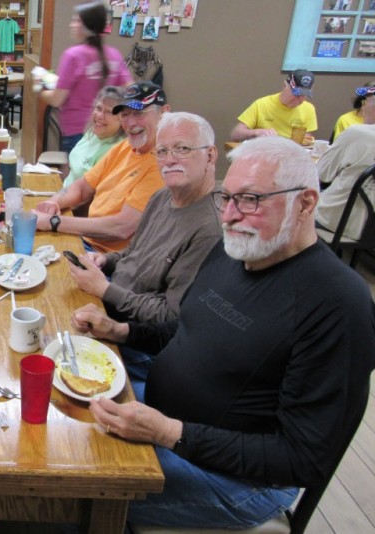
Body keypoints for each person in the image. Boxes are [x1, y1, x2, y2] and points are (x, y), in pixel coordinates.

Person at [70, 137, 375, 529]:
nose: (230, 215)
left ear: (305, 203)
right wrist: (122, 330)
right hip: (168, 420)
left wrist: (169, 432)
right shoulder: (236, 251)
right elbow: (186, 328)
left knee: (69, 491)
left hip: (239, 481)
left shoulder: (337, 305)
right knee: (63, 418)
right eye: (226, 198)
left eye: (250, 200)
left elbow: (304, 457)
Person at [67, 112, 221, 326]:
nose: (169, 160)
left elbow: (170, 317)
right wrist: (106, 261)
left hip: (132, 331)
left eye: (182, 148)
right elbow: (133, 254)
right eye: (162, 151)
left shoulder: (210, 229)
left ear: (211, 155)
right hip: (110, 297)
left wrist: (104, 290)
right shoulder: (162, 196)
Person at [33, 82, 168, 253]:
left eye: (139, 113)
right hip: (85, 240)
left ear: (164, 113)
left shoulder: (163, 164)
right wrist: (53, 202)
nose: (130, 123)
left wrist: (53, 222)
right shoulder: (126, 146)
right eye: (125, 115)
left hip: (105, 257)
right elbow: (82, 187)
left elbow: (121, 227)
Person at [39, 0, 132, 153]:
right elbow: (130, 90)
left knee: (76, 174)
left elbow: (56, 99)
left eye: (76, 20)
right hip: (108, 132)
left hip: (77, 132)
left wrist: (39, 88)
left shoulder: (73, 56)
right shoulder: (114, 55)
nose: (71, 25)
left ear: (86, 25)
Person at [316, 88, 375, 240]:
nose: (362, 107)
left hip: (339, 221)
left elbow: (322, 173)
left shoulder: (357, 133)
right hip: (370, 229)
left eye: (365, 102)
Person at [61, 86, 126, 189]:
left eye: (109, 112)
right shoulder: (93, 133)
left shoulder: (118, 150)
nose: (100, 116)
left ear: (123, 119)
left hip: (78, 203)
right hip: (63, 194)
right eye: (98, 108)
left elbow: (93, 194)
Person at [230, 69, 318, 142]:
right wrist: (256, 132)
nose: (298, 98)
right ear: (284, 85)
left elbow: (305, 138)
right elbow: (236, 134)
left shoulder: (308, 109)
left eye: (303, 95)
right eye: (295, 93)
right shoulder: (262, 104)